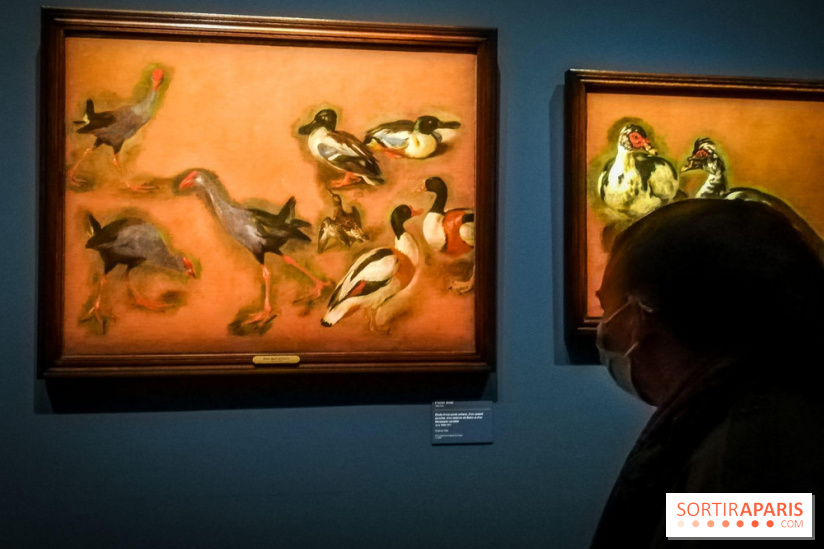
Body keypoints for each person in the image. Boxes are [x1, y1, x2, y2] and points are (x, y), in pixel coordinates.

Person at [590, 198, 824, 548]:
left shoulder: (746, 456)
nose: (605, 330)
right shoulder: (770, 405)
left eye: (608, 310)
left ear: (639, 318)